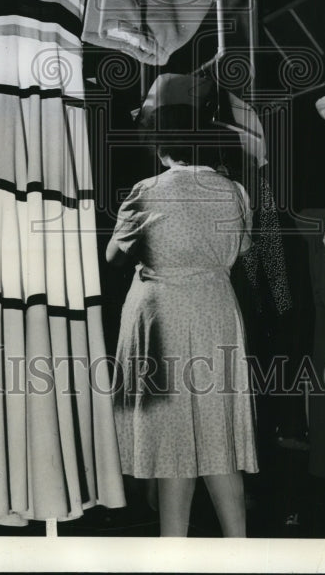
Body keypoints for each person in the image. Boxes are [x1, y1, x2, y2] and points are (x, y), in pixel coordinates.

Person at [106, 135, 258, 537]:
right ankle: (238, 547)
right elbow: (243, 249)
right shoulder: (235, 191)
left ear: (162, 149)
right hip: (214, 313)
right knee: (216, 432)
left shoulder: (146, 190)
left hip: (162, 315)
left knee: (172, 441)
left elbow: (113, 256)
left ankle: (172, 546)